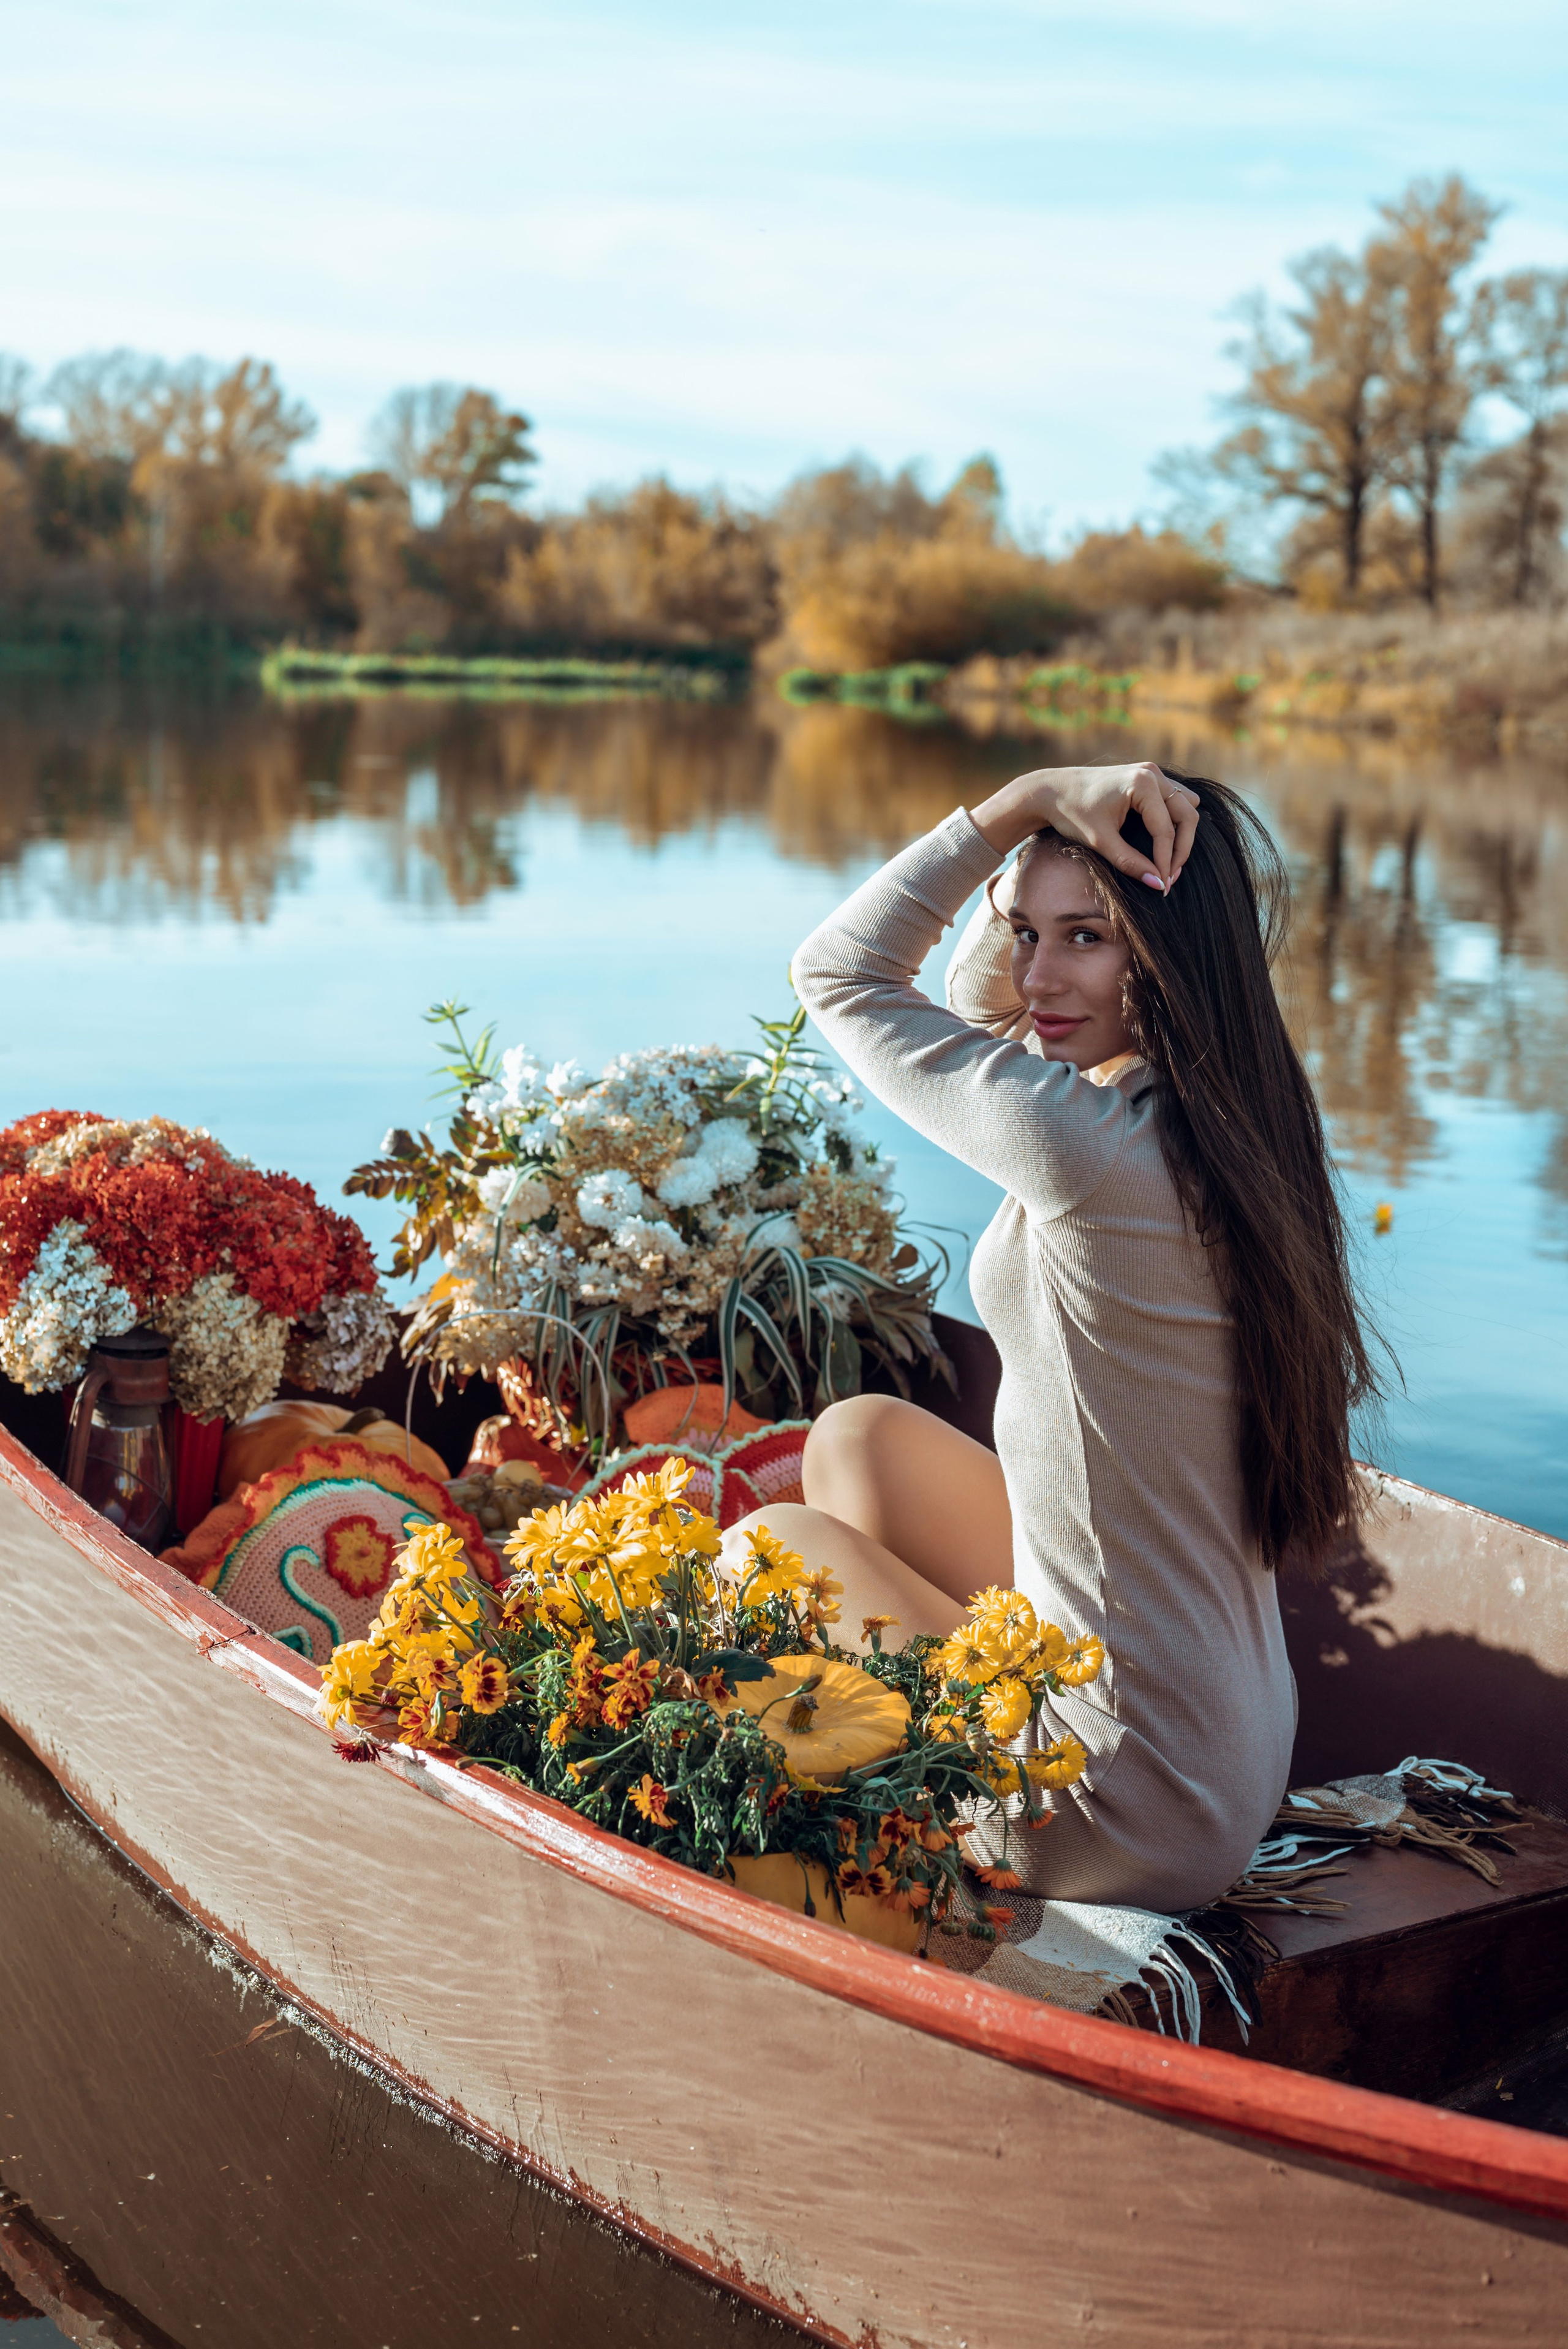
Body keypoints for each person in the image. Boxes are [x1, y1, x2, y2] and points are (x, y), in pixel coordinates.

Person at [719, 763, 1379, 1912]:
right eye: (1023, 931)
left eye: (1087, 938)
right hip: (1222, 1758)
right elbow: (998, 1009)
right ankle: (941, 1714)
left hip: (1108, 1798)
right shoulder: (1227, 1114)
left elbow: (839, 971)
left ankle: (871, 1836)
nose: (1036, 975)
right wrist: (1052, 851)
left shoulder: (1082, 1148)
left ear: (1168, 956)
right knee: (858, 1440)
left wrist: (1018, 803)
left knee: (753, 1558)